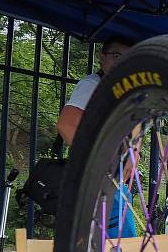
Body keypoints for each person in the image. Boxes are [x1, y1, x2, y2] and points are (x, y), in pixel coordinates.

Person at [57, 35, 136, 238]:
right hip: (98, 181)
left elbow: (136, 122)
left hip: (113, 181)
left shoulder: (123, 90)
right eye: (116, 56)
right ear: (102, 58)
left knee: (108, 251)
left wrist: (133, 150)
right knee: (118, 249)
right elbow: (66, 124)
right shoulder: (93, 84)